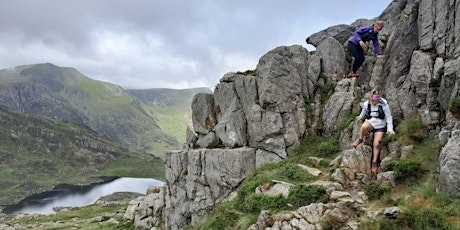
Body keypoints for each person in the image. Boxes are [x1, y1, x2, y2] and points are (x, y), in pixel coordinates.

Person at [353, 90, 395, 173]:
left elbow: (389, 117)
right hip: (370, 122)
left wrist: (390, 129)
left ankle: (374, 162)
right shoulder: (367, 104)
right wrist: (360, 117)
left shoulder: (384, 105)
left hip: (380, 125)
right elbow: (364, 111)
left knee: (377, 143)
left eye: (376, 101)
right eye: (373, 101)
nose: (374, 102)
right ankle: (360, 139)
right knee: (363, 127)